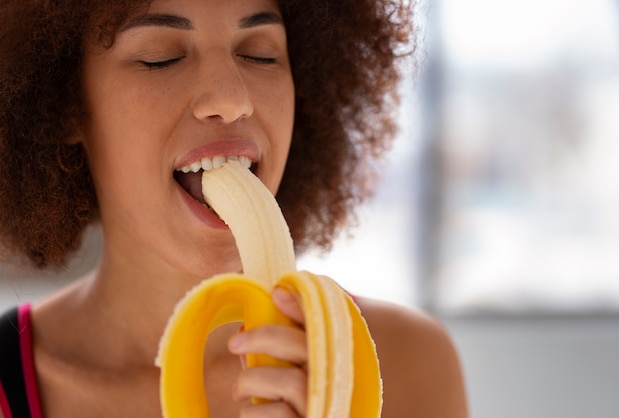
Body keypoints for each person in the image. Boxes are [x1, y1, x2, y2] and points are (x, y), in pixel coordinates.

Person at [0, 0, 468, 417]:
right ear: (66, 103)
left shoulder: (408, 361)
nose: (231, 99)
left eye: (260, 54)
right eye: (160, 58)